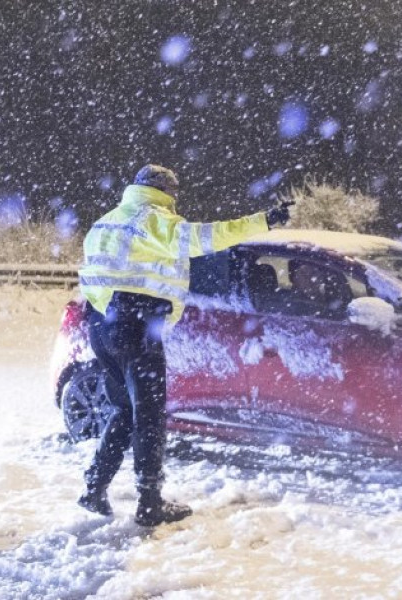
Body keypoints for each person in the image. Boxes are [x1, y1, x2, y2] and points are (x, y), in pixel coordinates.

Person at [77, 164, 291, 526]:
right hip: (136, 323)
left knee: (124, 411)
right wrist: (263, 221)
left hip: (101, 323)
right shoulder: (153, 219)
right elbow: (207, 237)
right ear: (167, 192)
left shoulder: (106, 223)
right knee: (148, 415)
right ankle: (149, 502)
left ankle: (94, 488)